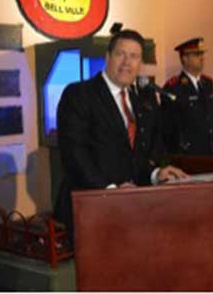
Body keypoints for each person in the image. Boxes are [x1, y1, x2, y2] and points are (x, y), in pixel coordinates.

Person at [54, 29, 187, 234]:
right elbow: (74, 155)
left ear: (140, 63)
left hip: (134, 211)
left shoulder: (143, 99)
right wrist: (111, 191)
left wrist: (155, 174)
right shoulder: (79, 94)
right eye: (120, 54)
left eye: (134, 56)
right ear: (107, 57)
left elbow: (138, 156)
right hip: (91, 212)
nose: (127, 62)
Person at [162, 38, 213, 155]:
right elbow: (168, 127)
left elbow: (210, 118)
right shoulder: (174, 87)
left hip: (208, 151)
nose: (202, 58)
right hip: (187, 154)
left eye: (202, 54)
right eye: (197, 54)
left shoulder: (208, 83)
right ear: (184, 58)